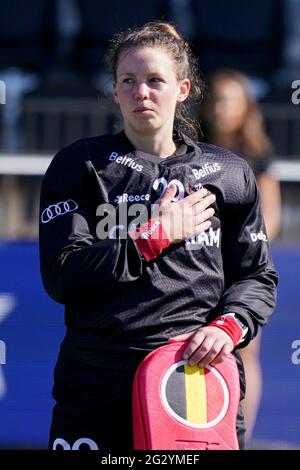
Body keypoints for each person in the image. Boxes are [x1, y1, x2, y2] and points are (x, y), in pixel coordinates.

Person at [39, 22, 278, 451]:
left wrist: (228, 326)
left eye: (155, 80)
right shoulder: (80, 166)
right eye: (128, 81)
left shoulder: (231, 173)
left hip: (193, 380)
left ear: (183, 89)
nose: (140, 92)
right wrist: (153, 235)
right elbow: (62, 274)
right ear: (114, 91)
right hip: (97, 382)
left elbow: (257, 278)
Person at [202, 69, 281, 442]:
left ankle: (240, 437)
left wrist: (236, 242)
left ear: (245, 107)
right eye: (216, 99)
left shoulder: (258, 155)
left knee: (244, 356)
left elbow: (273, 219)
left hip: (242, 269)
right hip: (198, 269)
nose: (221, 109)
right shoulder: (192, 150)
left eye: (230, 100)